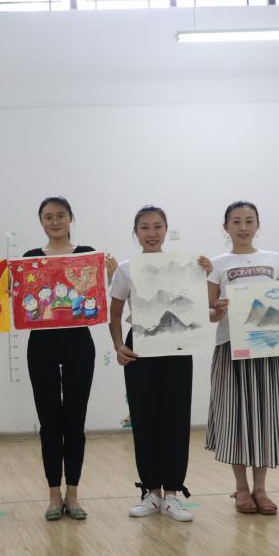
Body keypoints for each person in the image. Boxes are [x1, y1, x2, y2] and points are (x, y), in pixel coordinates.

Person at [108, 205, 212, 523]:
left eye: (157, 226)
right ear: (135, 232)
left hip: (178, 346)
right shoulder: (126, 268)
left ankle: (172, 496)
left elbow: (202, 307)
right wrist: (119, 346)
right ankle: (151, 493)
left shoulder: (188, 265)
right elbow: (115, 313)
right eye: (144, 227)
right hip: (141, 348)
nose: (151, 233)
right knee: (144, 419)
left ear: (166, 229)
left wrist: (207, 274)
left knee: (177, 419)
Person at [23, 196, 117, 521]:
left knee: (75, 421)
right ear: (41, 221)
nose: (54, 221)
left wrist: (110, 274)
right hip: (41, 346)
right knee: (50, 423)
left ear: (70, 218)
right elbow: (24, 301)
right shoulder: (30, 258)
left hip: (79, 344)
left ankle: (73, 493)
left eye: (60, 215)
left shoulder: (86, 254)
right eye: (48, 216)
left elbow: (100, 294)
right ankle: (53, 494)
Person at [206, 201, 279, 515]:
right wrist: (217, 310)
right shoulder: (217, 264)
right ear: (226, 227)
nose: (243, 227)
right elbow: (208, 312)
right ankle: (241, 488)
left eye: (249, 221)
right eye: (236, 221)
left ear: (258, 225)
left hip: (267, 348)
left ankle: (261, 489)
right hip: (231, 348)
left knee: (264, 416)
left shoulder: (273, 259)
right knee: (235, 416)